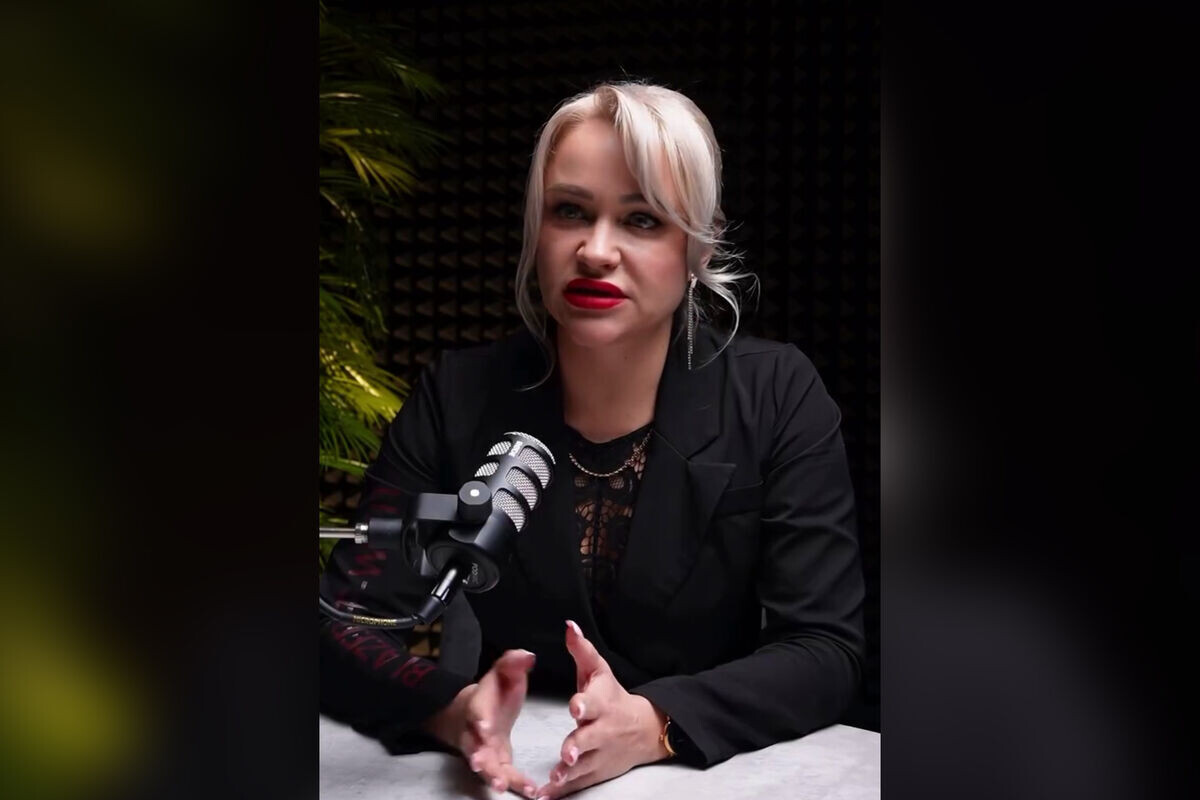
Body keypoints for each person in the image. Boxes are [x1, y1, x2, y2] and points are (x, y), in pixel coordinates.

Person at [319, 81, 866, 800]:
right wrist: (454, 712)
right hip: (515, 778)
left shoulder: (776, 393)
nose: (596, 251)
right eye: (570, 212)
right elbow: (342, 626)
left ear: (699, 245)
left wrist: (656, 722)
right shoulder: (458, 394)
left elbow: (827, 649)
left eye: (642, 220)